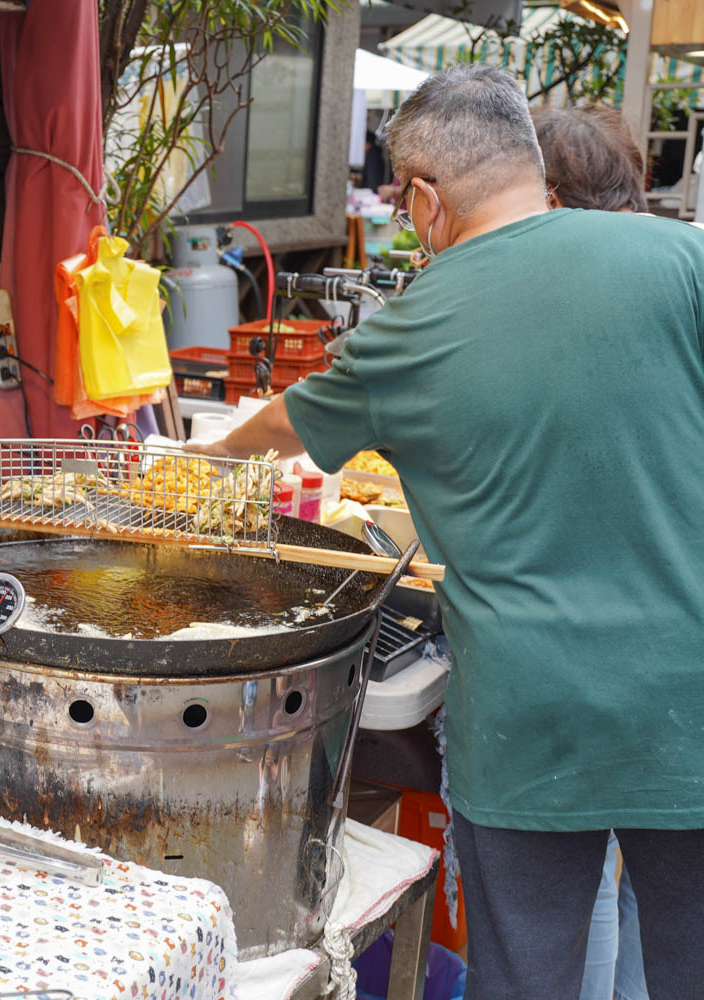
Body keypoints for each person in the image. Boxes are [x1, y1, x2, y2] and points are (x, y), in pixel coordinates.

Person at [190, 64, 704, 999]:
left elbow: (288, 424)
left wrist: (209, 457)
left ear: (424, 197)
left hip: (531, 721)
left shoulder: (414, 327)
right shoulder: (678, 258)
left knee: (528, 978)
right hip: (690, 704)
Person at [533, 104, 651, 1000]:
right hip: (666, 647)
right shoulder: (677, 268)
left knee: (571, 889)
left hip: (570, 653)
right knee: (638, 878)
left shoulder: (540, 286)